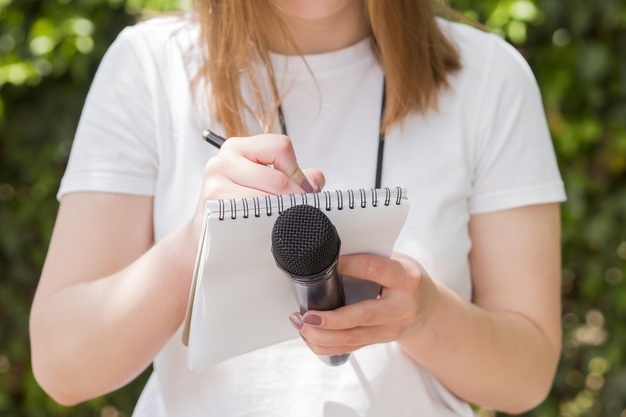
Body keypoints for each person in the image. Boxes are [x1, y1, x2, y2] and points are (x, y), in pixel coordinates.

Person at [29, 0, 566, 416]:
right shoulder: (149, 65)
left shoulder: (491, 77)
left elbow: (528, 375)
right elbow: (63, 366)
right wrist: (197, 240)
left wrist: (426, 316)